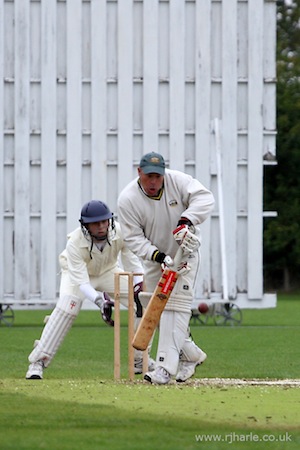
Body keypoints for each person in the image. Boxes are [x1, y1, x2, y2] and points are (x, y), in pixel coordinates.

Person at [25, 200, 154, 379]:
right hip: (76, 274)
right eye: (95, 223)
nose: (101, 227)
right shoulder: (75, 243)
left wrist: (138, 287)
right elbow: (83, 283)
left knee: (144, 301)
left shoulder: (120, 231)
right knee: (67, 308)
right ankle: (37, 362)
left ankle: (140, 359)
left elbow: (133, 263)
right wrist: (101, 302)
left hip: (108, 271)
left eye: (104, 221)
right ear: (85, 225)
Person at [117, 152, 215, 384]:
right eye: (148, 176)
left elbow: (205, 198)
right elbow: (132, 237)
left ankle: (164, 368)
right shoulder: (128, 199)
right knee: (156, 310)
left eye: (157, 177)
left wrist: (186, 220)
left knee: (176, 307)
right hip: (155, 260)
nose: (153, 182)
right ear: (139, 173)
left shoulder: (177, 180)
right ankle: (190, 355)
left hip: (185, 256)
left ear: (164, 174)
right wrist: (157, 255)